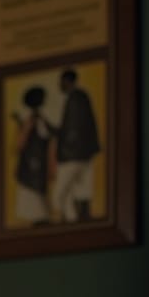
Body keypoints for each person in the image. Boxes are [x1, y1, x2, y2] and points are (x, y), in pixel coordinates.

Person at [51, 68, 100, 222]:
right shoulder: (82, 97)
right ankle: (80, 220)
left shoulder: (75, 99)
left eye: (62, 81)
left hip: (73, 155)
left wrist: (64, 148)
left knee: (60, 194)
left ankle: (72, 221)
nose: (60, 84)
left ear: (67, 81)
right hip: (84, 153)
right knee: (82, 190)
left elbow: (72, 130)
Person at [10, 85, 54, 224]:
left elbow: (50, 143)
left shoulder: (41, 121)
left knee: (39, 206)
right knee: (34, 206)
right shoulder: (31, 121)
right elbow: (19, 145)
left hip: (37, 169)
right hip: (29, 169)